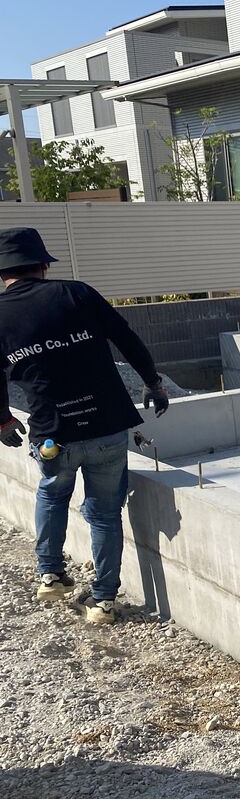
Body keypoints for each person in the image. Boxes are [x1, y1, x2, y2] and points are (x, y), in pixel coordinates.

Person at [0, 227, 169, 625]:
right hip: (106, 426)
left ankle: (50, 575)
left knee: (52, 493)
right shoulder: (76, 293)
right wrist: (152, 382)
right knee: (105, 515)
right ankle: (103, 602)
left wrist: (4, 420)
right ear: (43, 266)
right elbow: (126, 338)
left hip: (52, 434)